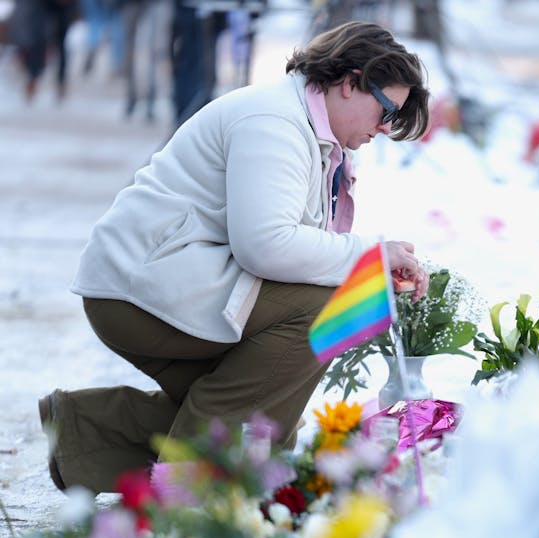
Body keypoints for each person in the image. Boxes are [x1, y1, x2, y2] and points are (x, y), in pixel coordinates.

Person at [39, 21, 431, 494]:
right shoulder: (274, 122)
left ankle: (83, 431)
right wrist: (371, 257)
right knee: (330, 309)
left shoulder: (308, 129)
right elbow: (265, 245)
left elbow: (292, 251)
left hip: (178, 284)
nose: (385, 128)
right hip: (137, 292)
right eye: (386, 109)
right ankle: (189, 498)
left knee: (255, 400)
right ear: (349, 83)